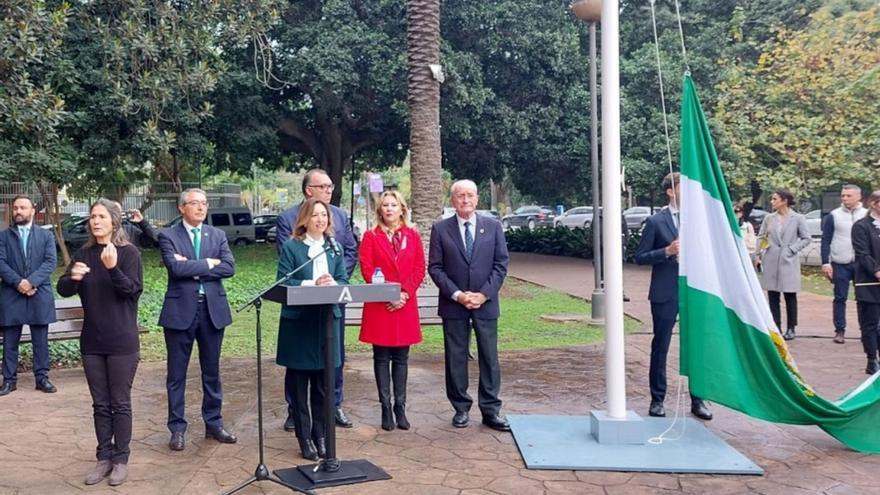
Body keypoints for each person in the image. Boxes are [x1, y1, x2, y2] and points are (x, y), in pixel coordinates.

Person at [57, 199, 142, 486]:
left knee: (119, 402)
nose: (95, 221)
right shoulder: (83, 253)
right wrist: (73, 277)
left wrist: (112, 268)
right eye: (93, 216)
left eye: (101, 216)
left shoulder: (128, 254)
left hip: (122, 341)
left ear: (114, 222)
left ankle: (121, 459)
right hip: (92, 340)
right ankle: (103, 457)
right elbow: (64, 287)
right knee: (100, 404)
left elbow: (131, 290)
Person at [276, 168, 357, 429]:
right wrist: (314, 281)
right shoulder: (287, 218)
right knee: (299, 364)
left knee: (333, 357)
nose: (329, 190)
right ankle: (295, 413)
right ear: (309, 189)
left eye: (331, 186)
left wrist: (332, 280)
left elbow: (349, 251)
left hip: (331, 301)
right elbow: (288, 264)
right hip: (302, 307)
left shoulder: (342, 215)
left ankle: (333, 406)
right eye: (323, 186)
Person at [158, 188, 237, 451]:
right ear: (182, 208)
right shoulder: (168, 235)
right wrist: (209, 264)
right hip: (180, 312)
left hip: (212, 311)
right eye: (195, 203)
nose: (201, 208)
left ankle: (213, 424)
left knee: (211, 372)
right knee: (176, 374)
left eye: (204, 203)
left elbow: (229, 267)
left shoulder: (217, 234)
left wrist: (195, 265)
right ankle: (177, 428)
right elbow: (176, 268)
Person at [428, 179, 511, 432]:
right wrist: (457, 294)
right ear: (452, 200)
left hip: (485, 304)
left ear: (477, 199)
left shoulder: (493, 226)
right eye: (460, 196)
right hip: (454, 304)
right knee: (455, 357)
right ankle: (461, 408)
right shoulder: (441, 229)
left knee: (489, 357)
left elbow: (501, 264)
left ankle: (491, 410)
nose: (465, 200)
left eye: (470, 195)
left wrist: (484, 294)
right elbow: (435, 268)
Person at [635, 172, 712, 421]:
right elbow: (640, 256)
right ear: (670, 191)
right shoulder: (656, 221)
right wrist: (666, 251)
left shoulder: (699, 220)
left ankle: (698, 399)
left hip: (694, 290)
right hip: (665, 291)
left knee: (696, 345)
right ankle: (657, 399)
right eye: (682, 186)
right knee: (661, 346)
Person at [358, 191, 426, 431]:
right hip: (380, 305)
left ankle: (401, 407)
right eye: (384, 205)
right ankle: (385, 407)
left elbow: (419, 268)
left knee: (401, 358)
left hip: (405, 305)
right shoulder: (370, 237)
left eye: (393, 205)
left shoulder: (412, 236)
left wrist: (404, 294)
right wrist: (389, 294)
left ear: (401, 209)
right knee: (381, 357)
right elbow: (367, 269)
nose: (389, 209)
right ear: (380, 210)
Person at [0, 195, 57, 396]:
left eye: (23, 207)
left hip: (38, 292)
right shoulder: (3, 236)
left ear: (33, 211)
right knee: (10, 340)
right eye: (15, 208)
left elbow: (50, 262)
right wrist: (19, 283)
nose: (18, 211)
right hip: (11, 293)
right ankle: (9, 380)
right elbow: (1, 263)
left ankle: (42, 378)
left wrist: (30, 282)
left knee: (40, 339)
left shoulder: (46, 236)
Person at [757, 189, 811, 341]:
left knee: (789, 294)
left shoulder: (798, 218)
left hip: (789, 259)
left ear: (784, 200)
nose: (772, 202)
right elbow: (761, 236)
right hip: (771, 258)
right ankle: (776, 327)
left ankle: (791, 327)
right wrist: (757, 254)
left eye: (775, 199)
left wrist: (792, 249)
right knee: (773, 295)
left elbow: (806, 238)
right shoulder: (769, 218)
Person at [820, 185, 867, 344]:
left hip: (862, 264)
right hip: (840, 262)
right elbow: (826, 240)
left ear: (858, 197)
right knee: (840, 298)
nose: (845, 199)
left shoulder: (866, 214)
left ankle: (865, 330)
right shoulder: (834, 215)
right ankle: (840, 330)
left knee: (864, 298)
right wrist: (826, 262)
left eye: (849, 196)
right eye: (843, 196)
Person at [851, 190, 880, 374]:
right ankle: (871, 359)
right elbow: (862, 253)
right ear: (874, 203)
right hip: (869, 283)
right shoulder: (861, 226)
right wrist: (877, 271)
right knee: (870, 323)